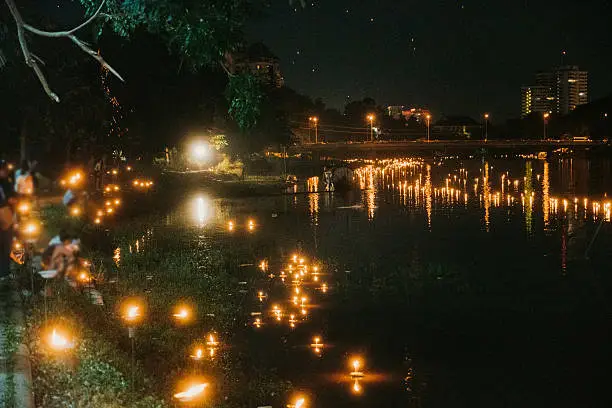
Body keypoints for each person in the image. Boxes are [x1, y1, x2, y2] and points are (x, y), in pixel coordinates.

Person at [0, 160, 16, 281]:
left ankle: (6, 272)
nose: (5, 172)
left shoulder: (6, 182)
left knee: (7, 246)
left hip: (7, 218)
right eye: (3, 170)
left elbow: (12, 196)